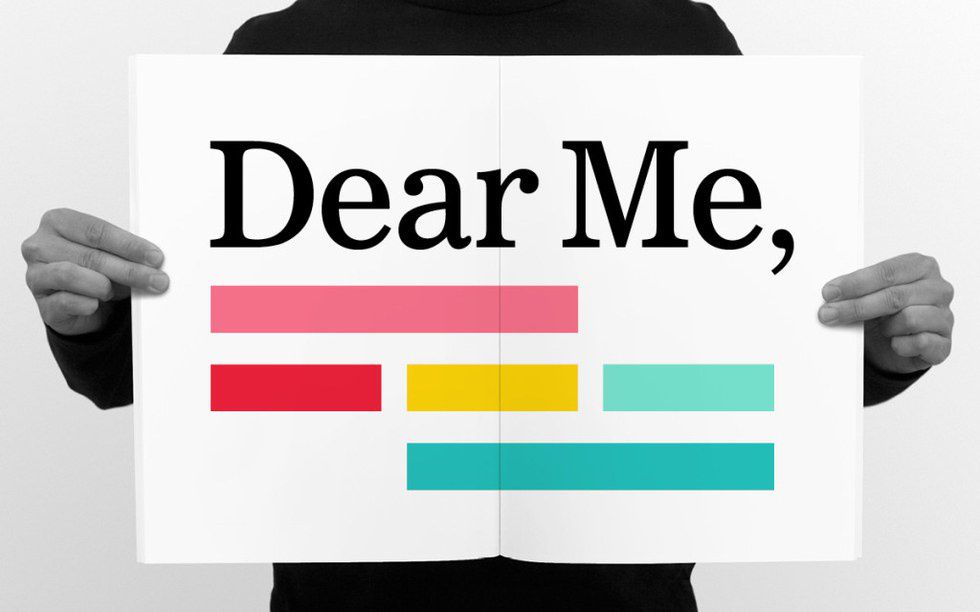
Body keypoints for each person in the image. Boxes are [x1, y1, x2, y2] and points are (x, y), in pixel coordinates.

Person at [19, 1, 956, 610]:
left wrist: (878, 348)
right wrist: (90, 313)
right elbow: (196, 368)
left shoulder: (682, 39)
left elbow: (731, 348)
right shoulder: (280, 51)